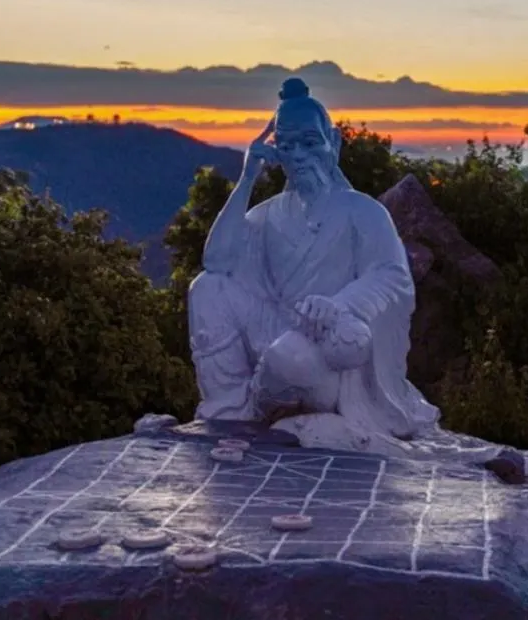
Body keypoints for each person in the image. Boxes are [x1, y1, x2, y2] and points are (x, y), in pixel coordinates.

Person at [187, 77, 440, 440]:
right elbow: (217, 261)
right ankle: (229, 411)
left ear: (333, 143)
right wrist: (247, 179)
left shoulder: (362, 211)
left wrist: (338, 306)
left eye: (309, 142)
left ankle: (290, 408)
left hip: (326, 351)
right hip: (277, 332)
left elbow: (391, 276)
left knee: (289, 361)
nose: (299, 155)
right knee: (207, 289)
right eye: (286, 145)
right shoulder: (269, 214)